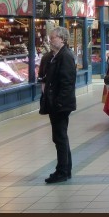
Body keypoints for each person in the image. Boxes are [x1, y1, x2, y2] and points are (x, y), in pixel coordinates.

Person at [38, 26, 77, 184]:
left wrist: (59, 102)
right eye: (50, 37)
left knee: (59, 137)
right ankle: (65, 169)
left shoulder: (65, 56)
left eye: (53, 37)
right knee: (60, 137)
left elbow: (67, 82)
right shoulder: (52, 56)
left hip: (60, 104)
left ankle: (62, 171)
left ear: (62, 39)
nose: (50, 39)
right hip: (54, 102)